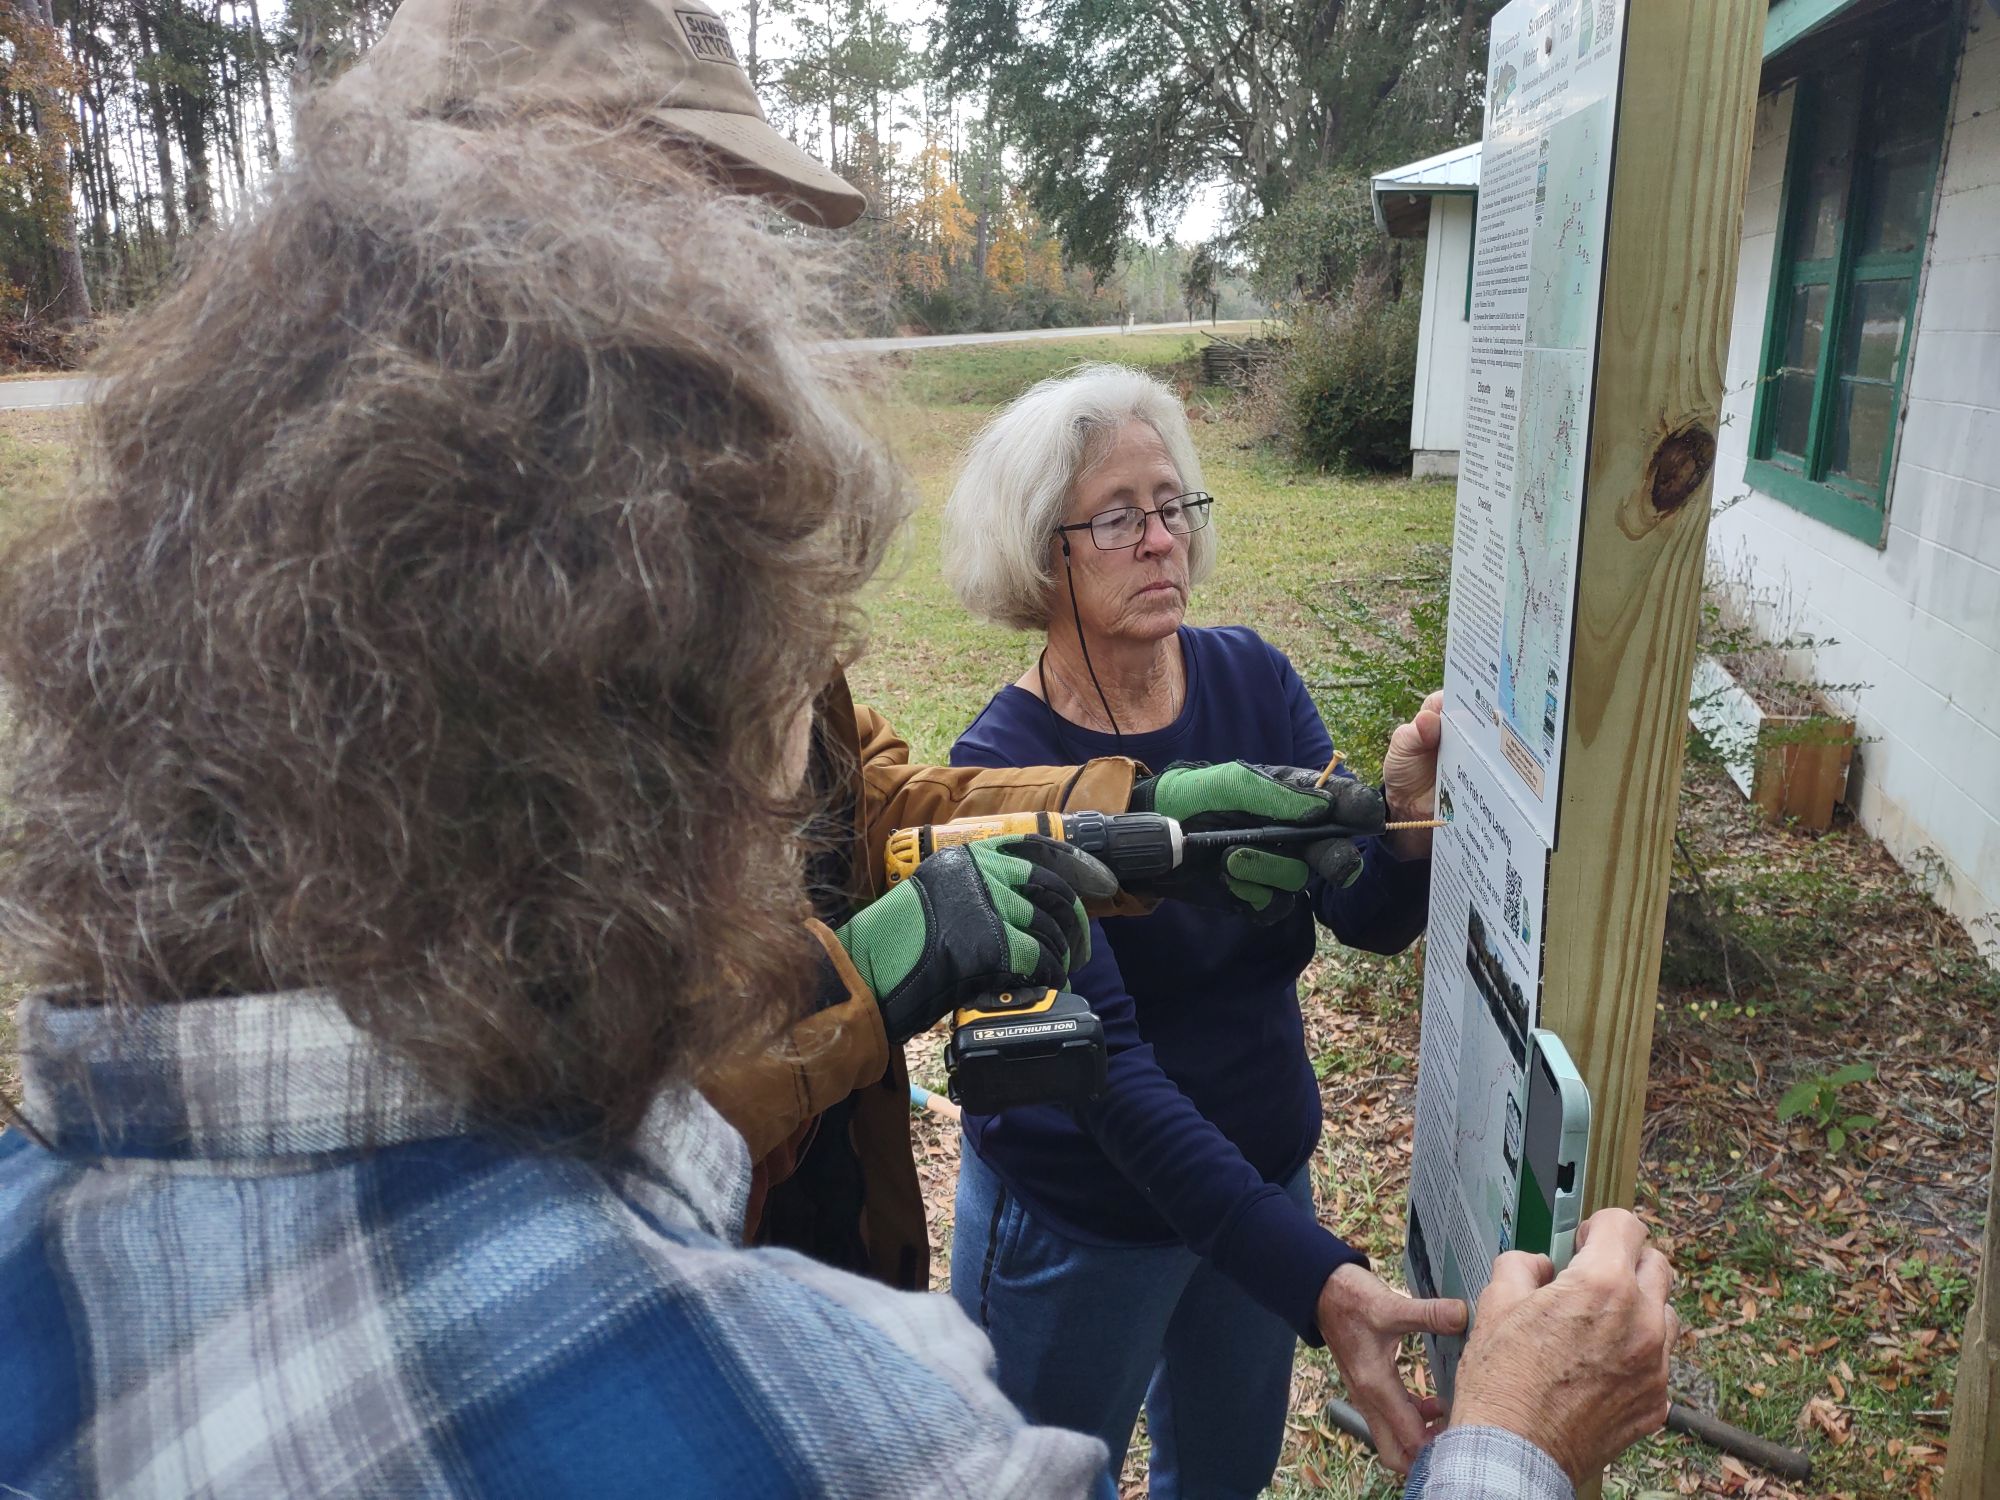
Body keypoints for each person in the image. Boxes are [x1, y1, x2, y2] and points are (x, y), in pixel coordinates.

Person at [340, 0, 1373, 1298]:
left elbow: (862, 808)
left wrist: (1139, 815)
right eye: (663, 211)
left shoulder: (698, 536)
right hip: (648, 1308)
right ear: (463, 241)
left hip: (824, 1239)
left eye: (733, 224)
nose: (722, 284)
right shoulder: (394, 638)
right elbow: (532, 1147)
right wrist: (867, 977)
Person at [940, 362, 1455, 1491]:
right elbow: (1105, 1067)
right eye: (1117, 517)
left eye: (1171, 506)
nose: (1161, 539)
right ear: (1041, 554)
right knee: (1036, 1482)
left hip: (1262, 1179)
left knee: (1223, 1478)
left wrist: (1405, 813)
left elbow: (1358, 909)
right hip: (1081, 1219)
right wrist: (1312, 1275)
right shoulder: (996, 773)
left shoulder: (1251, 678)